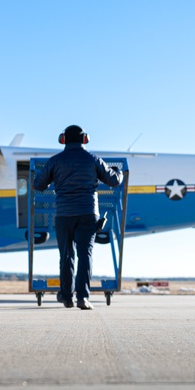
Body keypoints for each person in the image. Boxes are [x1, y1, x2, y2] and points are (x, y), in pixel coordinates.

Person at [33, 125, 123, 310]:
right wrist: (119, 172)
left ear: (63, 139)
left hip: (64, 214)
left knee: (66, 256)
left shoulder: (55, 161)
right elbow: (113, 180)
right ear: (85, 139)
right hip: (88, 213)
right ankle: (83, 298)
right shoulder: (93, 159)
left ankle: (67, 297)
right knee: (85, 255)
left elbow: (38, 185)